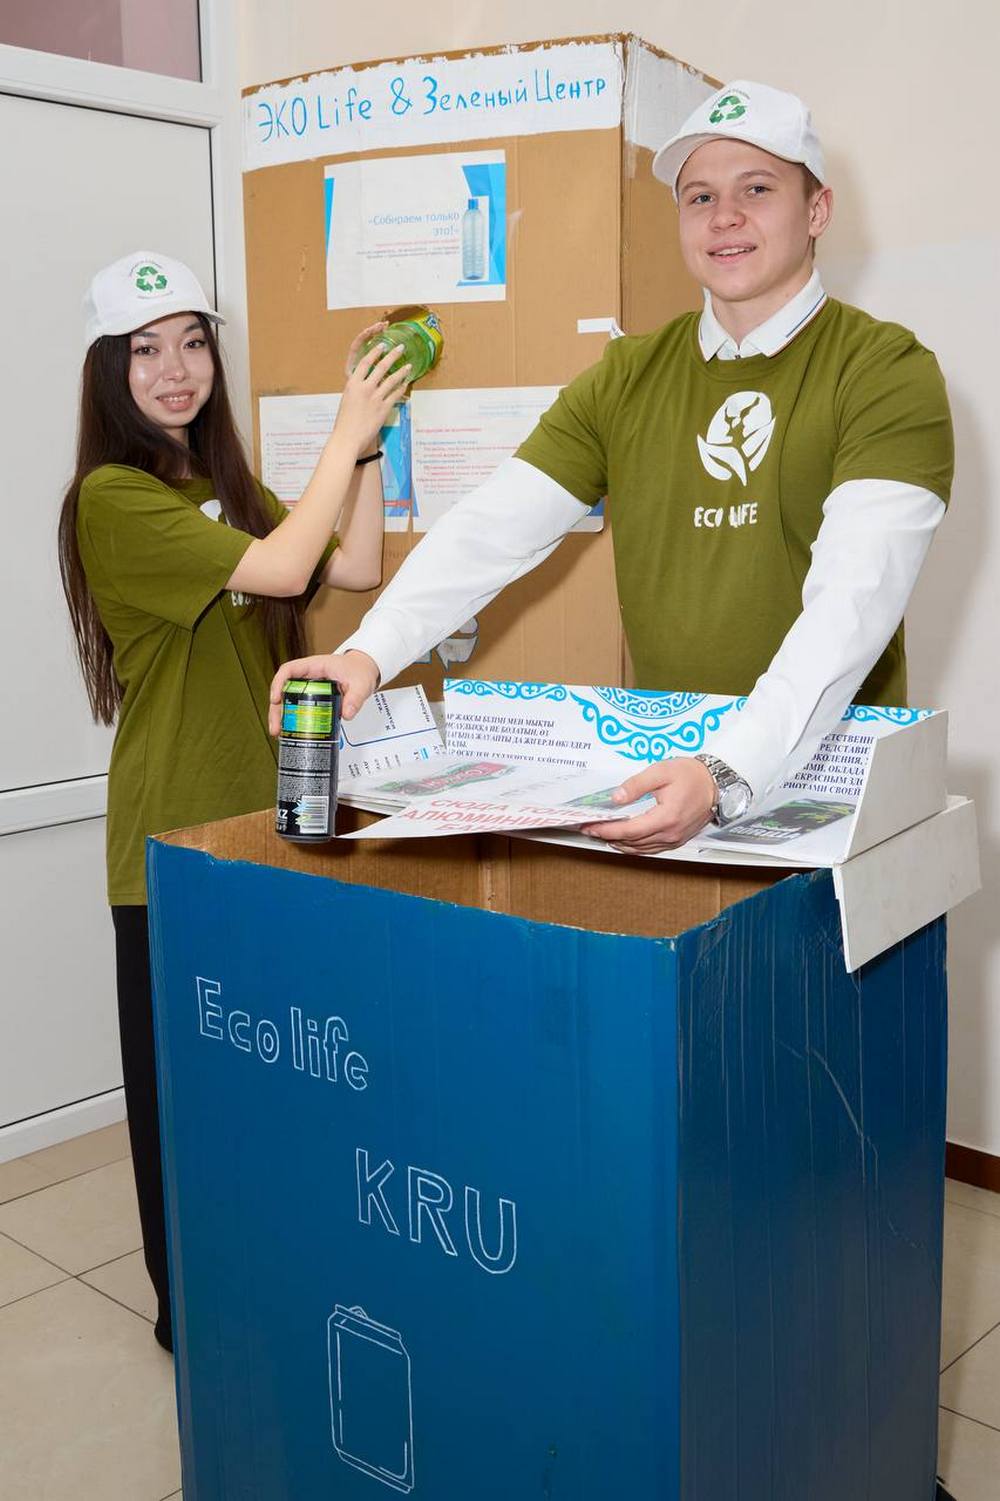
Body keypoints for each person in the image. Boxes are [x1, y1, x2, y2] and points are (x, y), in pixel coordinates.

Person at [268, 80, 953, 853]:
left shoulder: (885, 372)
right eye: (699, 197)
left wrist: (728, 770)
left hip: (830, 797)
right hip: (671, 787)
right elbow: (492, 530)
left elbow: (854, 602)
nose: (725, 217)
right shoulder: (628, 377)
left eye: (757, 189)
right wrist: (368, 651)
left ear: (817, 209)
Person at [58, 251, 410, 1351]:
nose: (175, 370)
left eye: (193, 343)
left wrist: (368, 444)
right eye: (144, 350)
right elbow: (286, 568)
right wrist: (344, 428)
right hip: (174, 843)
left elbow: (352, 565)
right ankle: (189, 1316)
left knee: (269, 1077)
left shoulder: (221, 492)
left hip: (272, 828)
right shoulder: (114, 497)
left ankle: (267, 1283)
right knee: (182, 1101)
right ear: (108, 370)